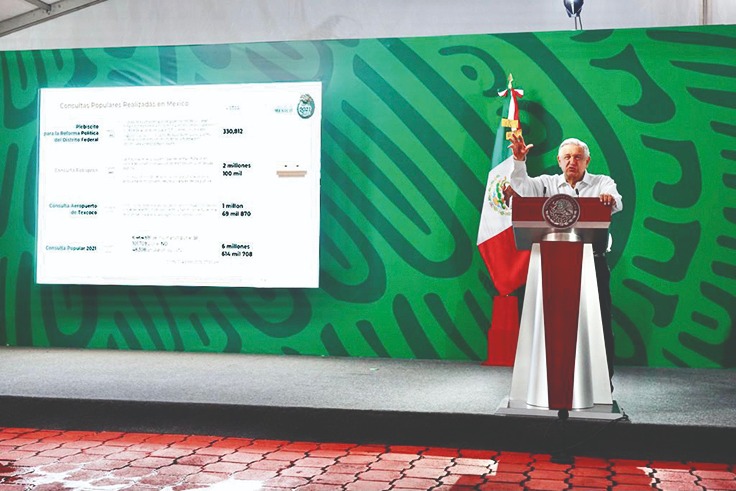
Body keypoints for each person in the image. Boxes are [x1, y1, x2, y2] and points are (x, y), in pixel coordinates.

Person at [507, 134, 622, 388]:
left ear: (587, 161)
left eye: (578, 157)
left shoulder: (602, 182)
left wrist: (608, 199)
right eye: (567, 157)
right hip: (552, 265)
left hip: (592, 262)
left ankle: (603, 383)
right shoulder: (545, 183)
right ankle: (549, 382)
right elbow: (522, 187)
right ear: (559, 161)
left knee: (598, 322)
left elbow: (615, 201)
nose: (572, 161)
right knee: (552, 323)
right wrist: (519, 161)